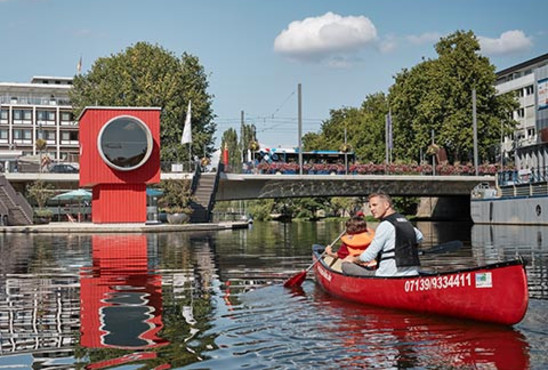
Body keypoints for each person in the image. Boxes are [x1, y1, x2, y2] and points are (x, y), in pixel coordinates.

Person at [342, 192, 423, 277]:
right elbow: (420, 237)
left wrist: (353, 259)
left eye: (375, 205)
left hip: (388, 275)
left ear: (386, 205)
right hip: (413, 273)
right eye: (370, 206)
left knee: (346, 266)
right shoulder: (406, 221)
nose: (372, 209)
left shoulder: (385, 225)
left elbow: (367, 257)